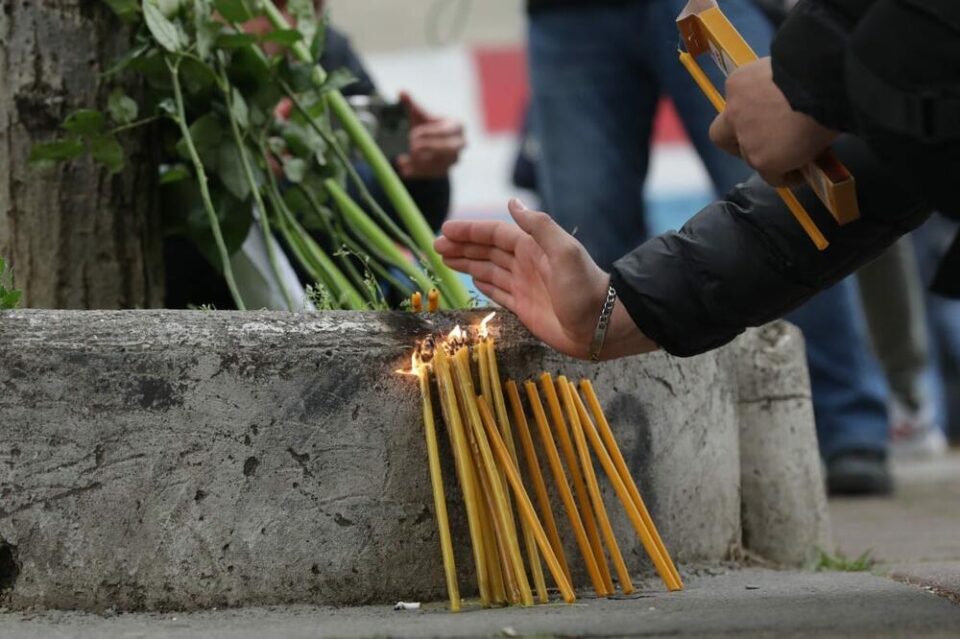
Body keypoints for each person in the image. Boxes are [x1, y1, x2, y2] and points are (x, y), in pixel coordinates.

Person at [435, 0, 959, 426]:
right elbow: (850, 185)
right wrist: (621, 310)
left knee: (803, 173)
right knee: (811, 191)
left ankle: (848, 426)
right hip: (568, 14)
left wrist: (817, 76)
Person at [524, 0, 893, 494]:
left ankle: (846, 422)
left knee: (795, 188)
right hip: (567, 14)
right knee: (582, 223)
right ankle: (614, 437)